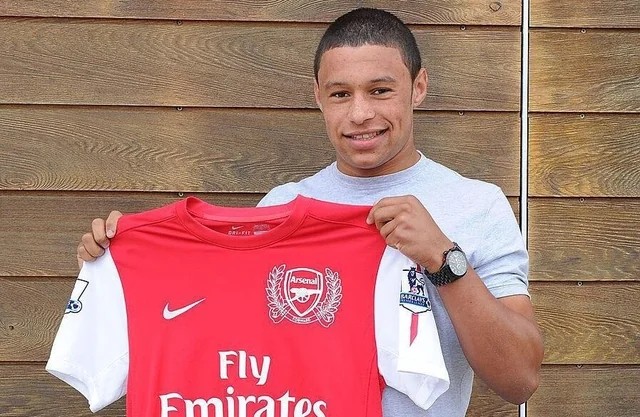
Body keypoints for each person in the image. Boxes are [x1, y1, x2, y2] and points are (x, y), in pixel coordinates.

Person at [76, 7, 543, 417]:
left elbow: (519, 380)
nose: (359, 114)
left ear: (418, 87)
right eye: (340, 94)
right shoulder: (279, 209)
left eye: (380, 90)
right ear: (317, 95)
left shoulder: (476, 205)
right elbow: (229, 339)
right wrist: (118, 264)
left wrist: (444, 260)